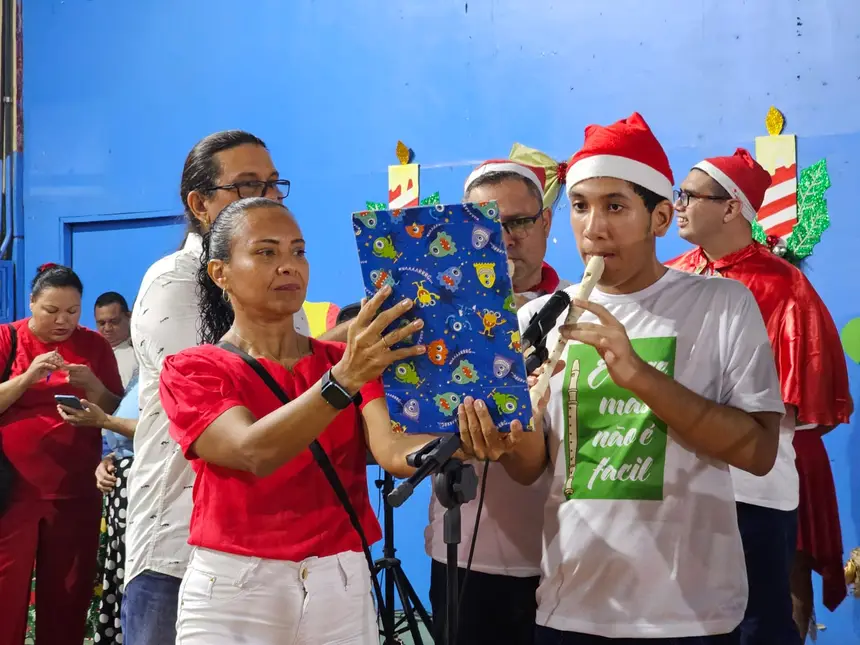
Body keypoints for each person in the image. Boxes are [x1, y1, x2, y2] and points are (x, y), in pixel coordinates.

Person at [458, 113, 785, 644]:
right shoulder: (540, 318)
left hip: (691, 614)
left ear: (660, 217)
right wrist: (512, 431)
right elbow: (532, 469)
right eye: (580, 206)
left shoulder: (721, 303)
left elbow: (759, 451)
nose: (594, 228)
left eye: (615, 206)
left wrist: (638, 375)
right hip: (570, 607)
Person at [158, 196, 461, 643]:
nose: (288, 266)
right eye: (266, 252)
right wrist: (343, 380)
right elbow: (251, 450)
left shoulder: (344, 360)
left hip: (339, 581)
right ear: (220, 273)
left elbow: (393, 451)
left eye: (298, 251)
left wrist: (461, 440)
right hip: (236, 587)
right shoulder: (193, 369)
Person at [122, 130, 344, 644]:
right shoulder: (173, 283)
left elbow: (300, 388)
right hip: (180, 543)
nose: (267, 198)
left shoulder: (278, 291)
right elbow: (242, 407)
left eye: (273, 184)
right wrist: (349, 359)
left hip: (275, 544)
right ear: (200, 204)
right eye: (247, 186)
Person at [668, 148, 852, 644]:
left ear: (732, 207)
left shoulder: (785, 287)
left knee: (758, 626)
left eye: (690, 195)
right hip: (676, 485)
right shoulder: (669, 277)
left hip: (753, 488)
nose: (678, 204)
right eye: (678, 193)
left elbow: (807, 406)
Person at [425, 151, 571, 645]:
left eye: (519, 222)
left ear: (545, 221)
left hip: (563, 556)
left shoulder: (578, 311)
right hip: (464, 551)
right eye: (486, 225)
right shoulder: (435, 317)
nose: (504, 239)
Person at [0, 263, 123, 645]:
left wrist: (93, 385)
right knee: (5, 596)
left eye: (72, 311)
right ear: (32, 303)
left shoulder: (94, 346)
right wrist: (27, 378)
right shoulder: (8, 338)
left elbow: (116, 409)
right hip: (13, 492)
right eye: (51, 311)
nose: (62, 320)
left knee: (68, 597)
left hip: (75, 490)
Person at [59, 374, 140, 645]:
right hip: (121, 486)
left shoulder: (179, 366)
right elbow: (125, 435)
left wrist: (104, 420)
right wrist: (108, 458)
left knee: (139, 586)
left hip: (147, 490)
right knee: (121, 585)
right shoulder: (143, 369)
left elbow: (166, 432)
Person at [95, 291, 137, 387]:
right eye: (102, 323)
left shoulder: (141, 350)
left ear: (129, 316)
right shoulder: (89, 354)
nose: (107, 328)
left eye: (114, 321)